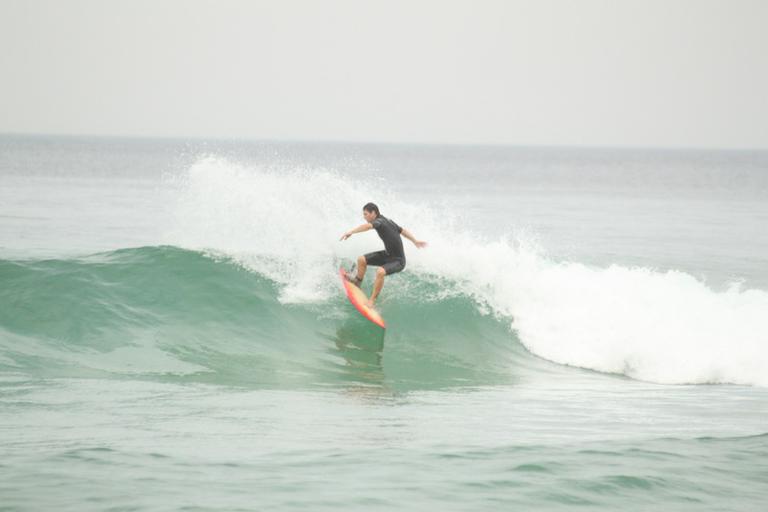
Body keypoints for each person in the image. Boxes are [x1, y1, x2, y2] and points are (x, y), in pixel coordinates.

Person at [340, 202, 427, 308]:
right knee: (361, 259)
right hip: (388, 255)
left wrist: (351, 232)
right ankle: (357, 282)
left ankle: (372, 300)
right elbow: (402, 231)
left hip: (398, 261)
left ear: (373, 213)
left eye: (366, 214)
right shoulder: (387, 220)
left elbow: (367, 227)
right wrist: (415, 241)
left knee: (380, 272)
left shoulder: (380, 222)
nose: (364, 217)